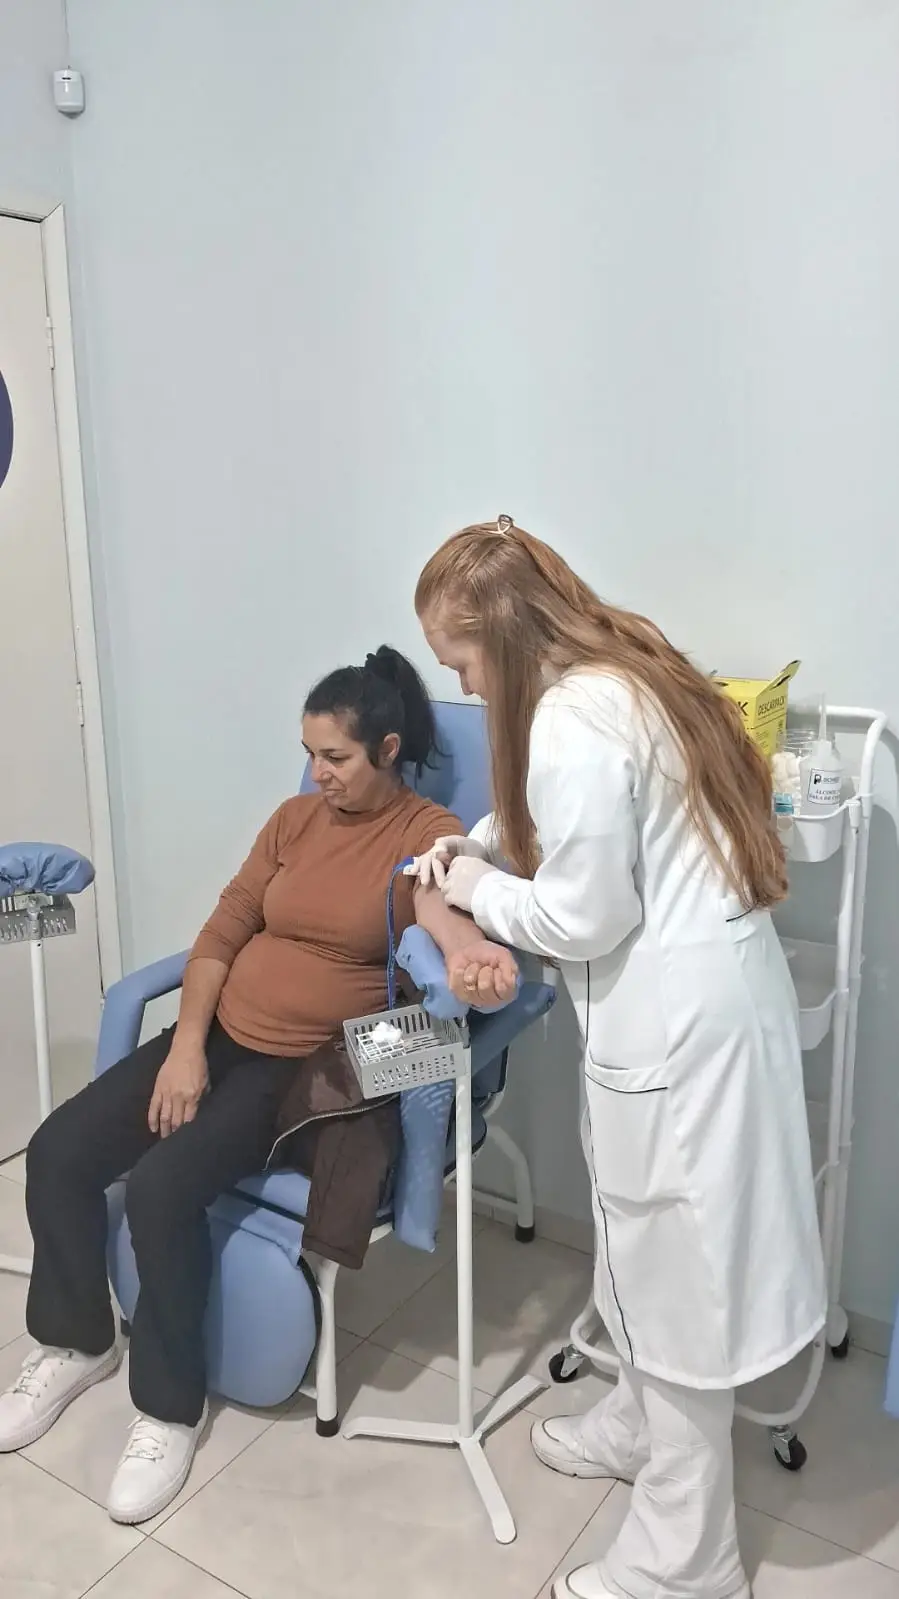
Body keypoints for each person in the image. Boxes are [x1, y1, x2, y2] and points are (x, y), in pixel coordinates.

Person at [0, 645, 516, 1524]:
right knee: (56, 1152)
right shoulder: (292, 819)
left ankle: (168, 1410)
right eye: (309, 753)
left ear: (387, 749)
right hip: (216, 1036)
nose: (318, 773)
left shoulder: (422, 832)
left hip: (299, 1066)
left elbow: (442, 915)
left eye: (336, 757)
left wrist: (475, 959)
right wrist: (185, 1048)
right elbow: (224, 928)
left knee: (161, 1188)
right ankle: (76, 1340)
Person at [411, 520, 825, 1599]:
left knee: (678, 1281)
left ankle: (686, 1560)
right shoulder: (620, 675)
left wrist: (474, 889)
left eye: (459, 662)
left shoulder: (569, 720)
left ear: (501, 636)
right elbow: (577, 816)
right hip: (704, 1011)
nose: (460, 684)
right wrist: (480, 838)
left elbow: (585, 915)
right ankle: (636, 1423)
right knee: (645, 1250)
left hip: (674, 1037)